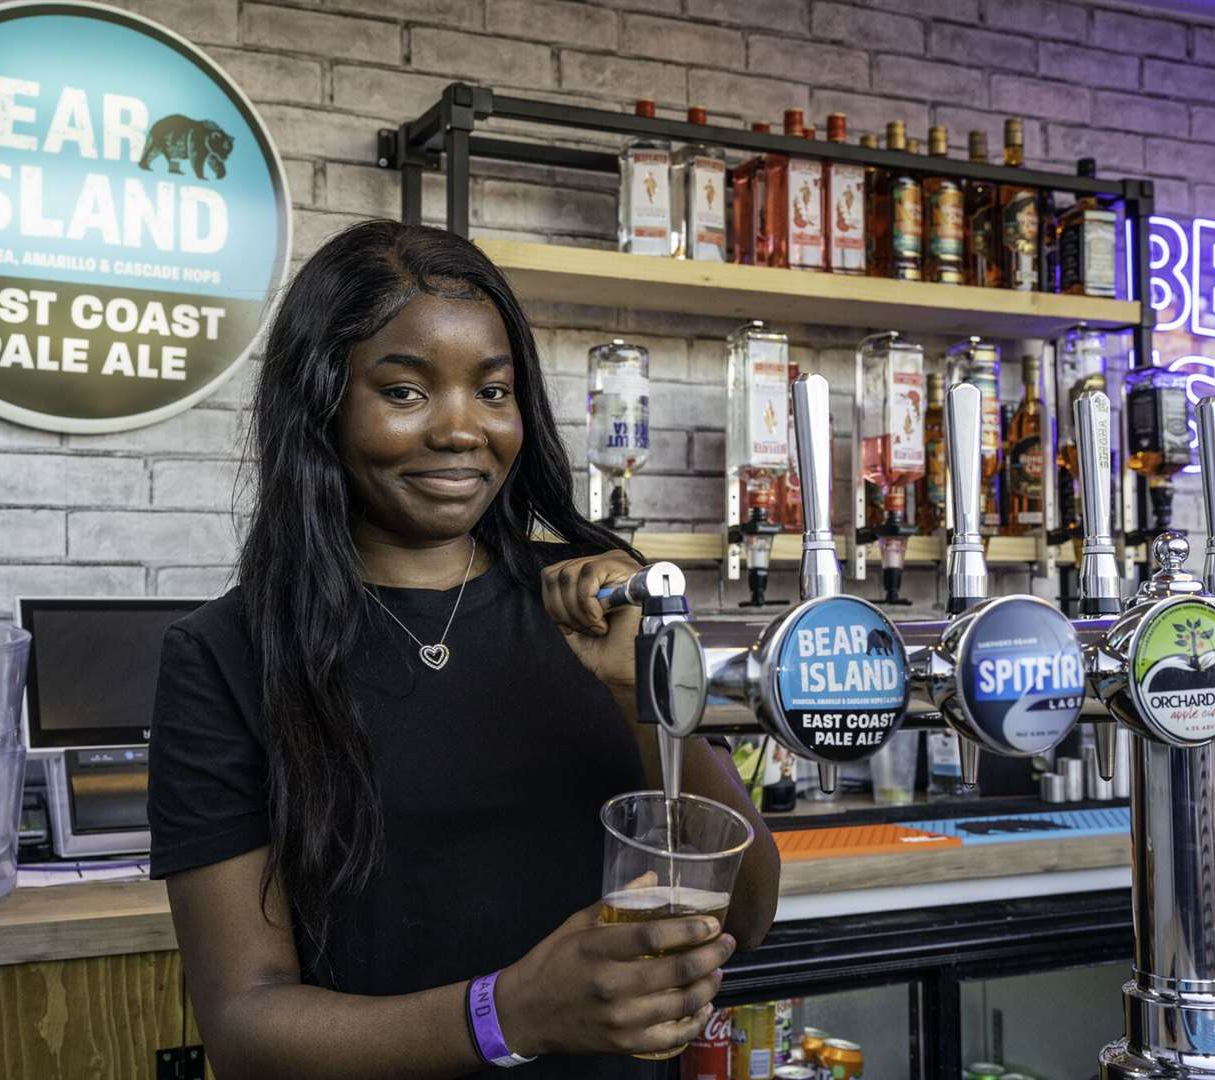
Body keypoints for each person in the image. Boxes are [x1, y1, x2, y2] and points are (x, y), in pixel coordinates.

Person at [148, 220, 780, 1079]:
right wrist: (509, 1013)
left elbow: (745, 908)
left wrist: (649, 698)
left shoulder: (598, 607)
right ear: (320, 403)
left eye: (492, 391)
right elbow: (246, 1026)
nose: (460, 430)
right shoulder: (225, 656)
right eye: (405, 392)